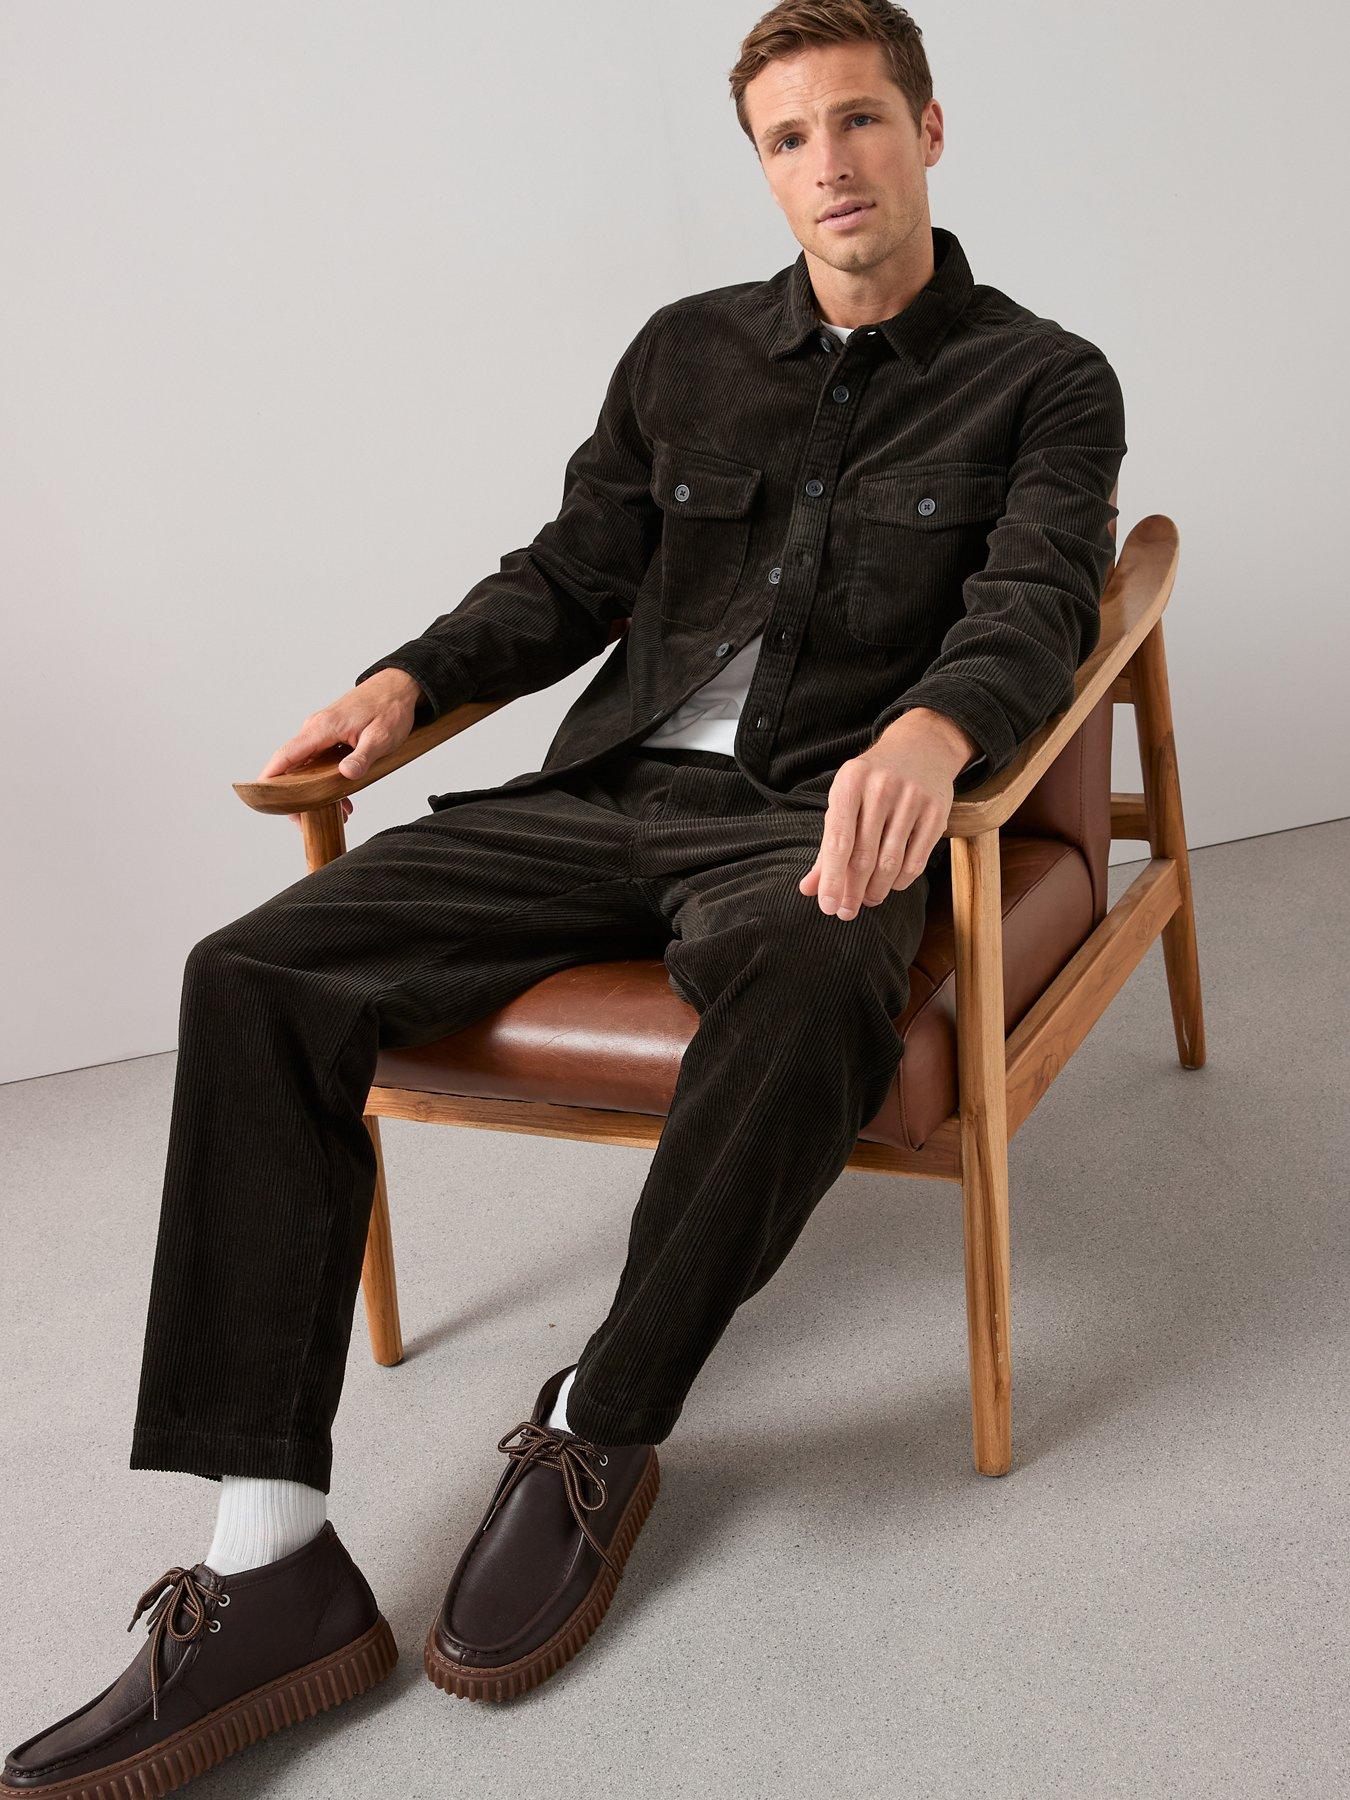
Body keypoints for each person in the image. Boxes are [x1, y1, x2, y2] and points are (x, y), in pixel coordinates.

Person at [1, 0, 1127, 1789]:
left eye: (858, 121)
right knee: (249, 971)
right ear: (758, 165)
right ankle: (269, 1559)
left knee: (824, 966)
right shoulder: (684, 352)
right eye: (785, 138)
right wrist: (401, 681)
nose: (826, 164)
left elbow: (1042, 589)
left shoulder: (1045, 376)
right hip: (604, 799)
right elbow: (571, 571)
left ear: (928, 128)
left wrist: (929, 733)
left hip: (804, 821)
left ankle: (600, 1421)